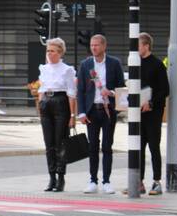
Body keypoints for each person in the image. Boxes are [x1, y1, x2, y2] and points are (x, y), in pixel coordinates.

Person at [76, 34, 124, 194]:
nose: (93, 48)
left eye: (96, 45)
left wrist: (110, 93)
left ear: (104, 46)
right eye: (92, 45)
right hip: (91, 110)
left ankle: (107, 181)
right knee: (93, 147)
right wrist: (81, 112)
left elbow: (121, 88)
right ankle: (92, 180)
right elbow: (81, 90)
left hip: (108, 110)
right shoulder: (86, 65)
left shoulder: (114, 63)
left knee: (107, 146)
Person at [36, 38, 77, 192]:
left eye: (52, 51)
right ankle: (51, 177)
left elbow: (71, 93)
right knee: (49, 144)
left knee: (60, 142)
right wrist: (40, 106)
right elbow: (41, 89)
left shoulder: (67, 69)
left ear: (60, 53)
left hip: (61, 102)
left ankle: (61, 177)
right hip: (46, 101)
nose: (49, 54)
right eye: (48, 51)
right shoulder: (44, 68)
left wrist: (72, 116)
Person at [136, 32, 170, 196]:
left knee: (153, 146)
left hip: (153, 112)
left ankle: (157, 182)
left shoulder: (157, 65)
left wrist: (151, 103)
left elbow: (165, 89)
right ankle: (139, 182)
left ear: (146, 46)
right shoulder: (135, 64)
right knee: (139, 147)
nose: (135, 49)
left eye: (138, 45)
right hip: (138, 112)